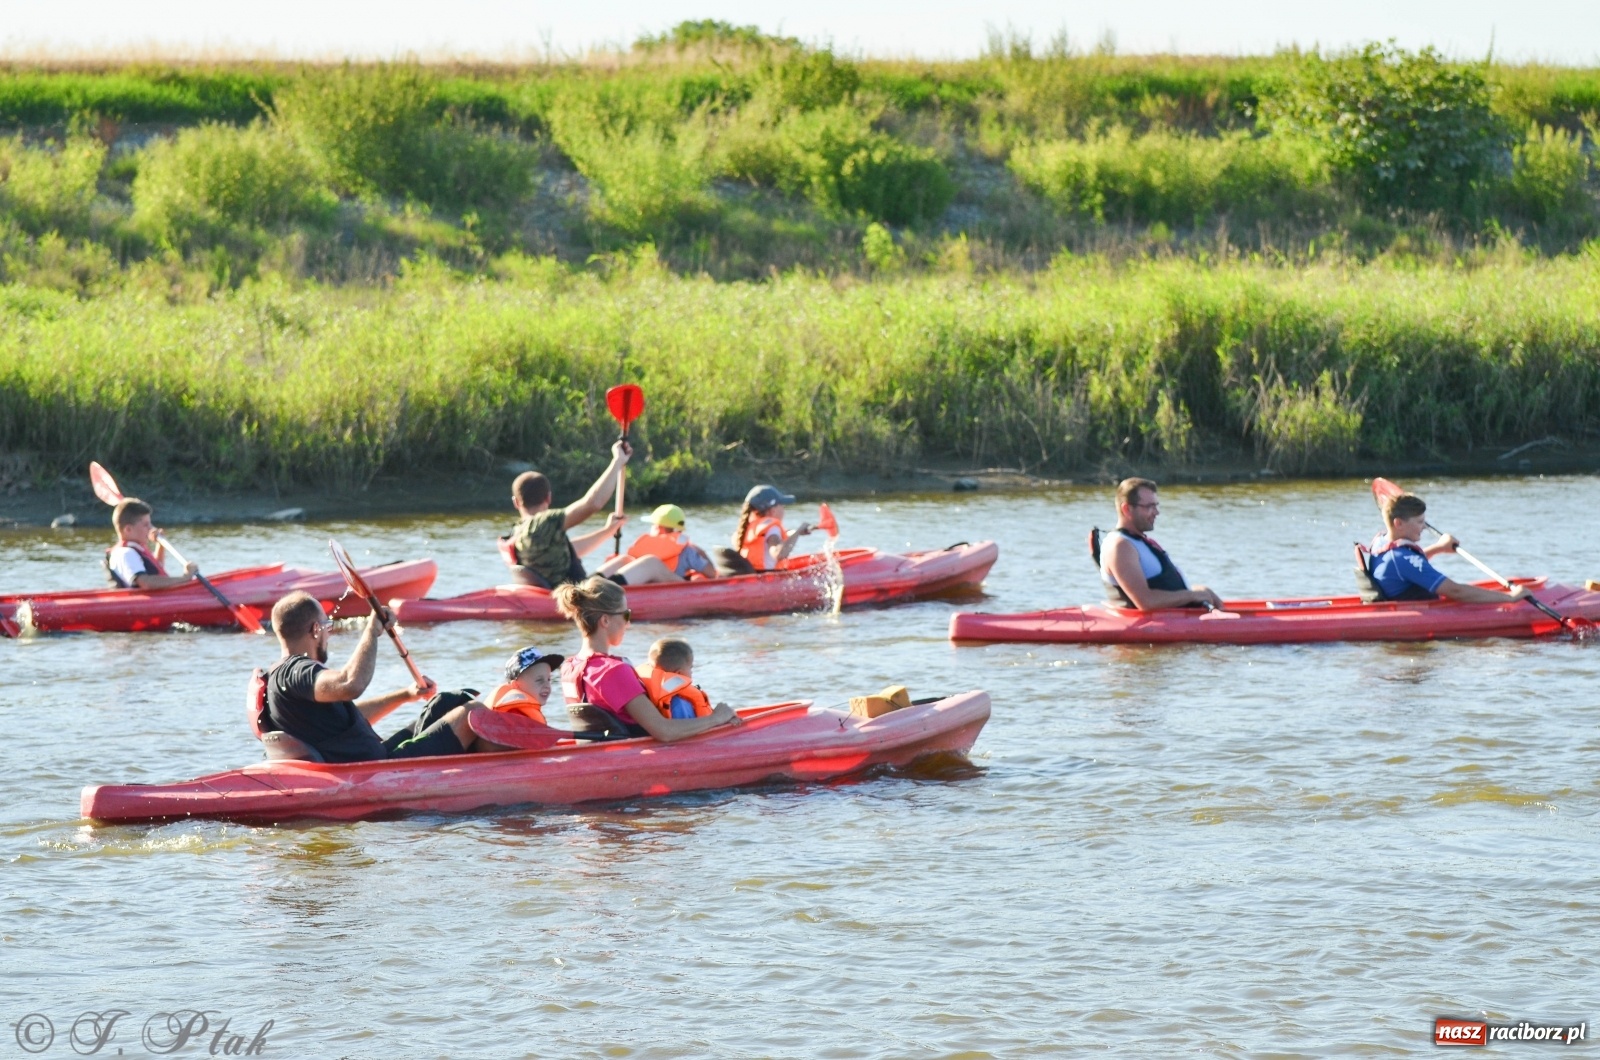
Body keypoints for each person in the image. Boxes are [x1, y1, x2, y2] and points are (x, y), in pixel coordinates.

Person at [262, 591, 506, 762]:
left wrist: (405, 695)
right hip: (378, 766)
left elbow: (349, 716)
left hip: (374, 755)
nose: (329, 633)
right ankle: (514, 765)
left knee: (447, 702)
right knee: (472, 712)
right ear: (315, 630)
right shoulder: (296, 671)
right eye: (327, 627)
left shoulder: (281, 675)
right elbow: (350, 683)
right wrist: (371, 630)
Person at [552, 576, 739, 742]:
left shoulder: (569, 667)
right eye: (625, 615)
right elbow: (664, 732)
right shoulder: (612, 671)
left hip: (602, 754)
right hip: (634, 757)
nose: (628, 622)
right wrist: (715, 719)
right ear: (605, 621)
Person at [505, 441, 679, 589]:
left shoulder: (520, 531)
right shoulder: (543, 522)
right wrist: (617, 462)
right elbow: (593, 503)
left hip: (574, 586)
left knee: (625, 560)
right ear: (549, 498)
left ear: (515, 502)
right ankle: (693, 590)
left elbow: (570, 549)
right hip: (579, 594)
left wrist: (607, 531)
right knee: (652, 563)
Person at [1362, 492, 1531, 604]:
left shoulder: (1381, 542)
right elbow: (1455, 591)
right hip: (1412, 612)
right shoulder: (1401, 559)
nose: (1424, 527)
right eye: (1420, 522)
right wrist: (1509, 598)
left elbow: (1404, 567)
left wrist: (1438, 548)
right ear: (1398, 523)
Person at [1096, 477, 1223, 610]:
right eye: (1149, 506)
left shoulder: (1137, 542)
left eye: (1156, 505)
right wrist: (1191, 595)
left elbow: (1165, 589)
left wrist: (1197, 592)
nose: (1157, 512)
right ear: (1127, 509)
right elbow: (1146, 602)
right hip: (1153, 626)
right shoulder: (1120, 547)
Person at [105, 498, 198, 589]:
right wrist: (185, 577)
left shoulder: (135, 548)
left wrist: (160, 545)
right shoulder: (125, 553)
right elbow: (146, 583)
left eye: (150, 523)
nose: (151, 528)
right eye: (146, 525)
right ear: (128, 529)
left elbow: (156, 568)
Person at [724, 484, 814, 574]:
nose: (784, 509)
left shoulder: (748, 527)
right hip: (767, 580)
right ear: (773, 510)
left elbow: (769, 539)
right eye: (782, 506)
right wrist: (798, 532)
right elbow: (779, 554)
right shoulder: (772, 528)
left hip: (753, 575)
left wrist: (794, 533)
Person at [624, 504, 718, 582]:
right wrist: (702, 553)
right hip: (671, 591)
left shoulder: (642, 546)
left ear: (658, 528)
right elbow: (712, 574)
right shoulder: (687, 551)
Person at [636, 637, 714, 719]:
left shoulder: (645, 693)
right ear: (678, 674)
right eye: (690, 668)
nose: (691, 672)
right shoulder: (680, 704)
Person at [485, 646, 564, 724]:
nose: (547, 685)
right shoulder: (514, 715)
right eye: (539, 680)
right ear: (516, 685)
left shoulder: (525, 710)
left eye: (549, 679)